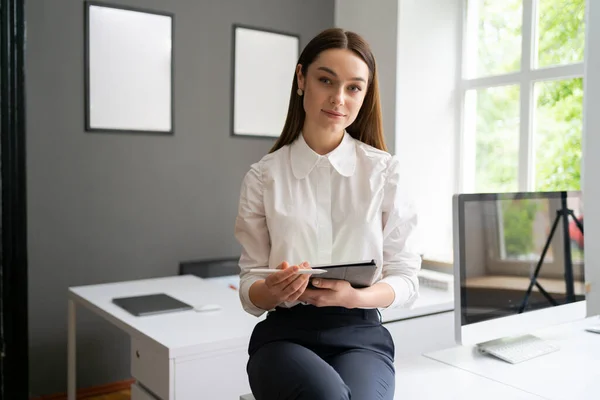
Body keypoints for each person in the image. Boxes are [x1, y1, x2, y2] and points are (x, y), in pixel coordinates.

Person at [234, 27, 421, 400]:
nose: (338, 98)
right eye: (326, 80)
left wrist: (354, 297)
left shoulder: (385, 173)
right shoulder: (263, 177)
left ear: (365, 96)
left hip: (361, 336)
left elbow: (406, 280)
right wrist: (271, 291)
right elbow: (248, 289)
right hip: (284, 338)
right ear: (302, 79)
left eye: (354, 87)